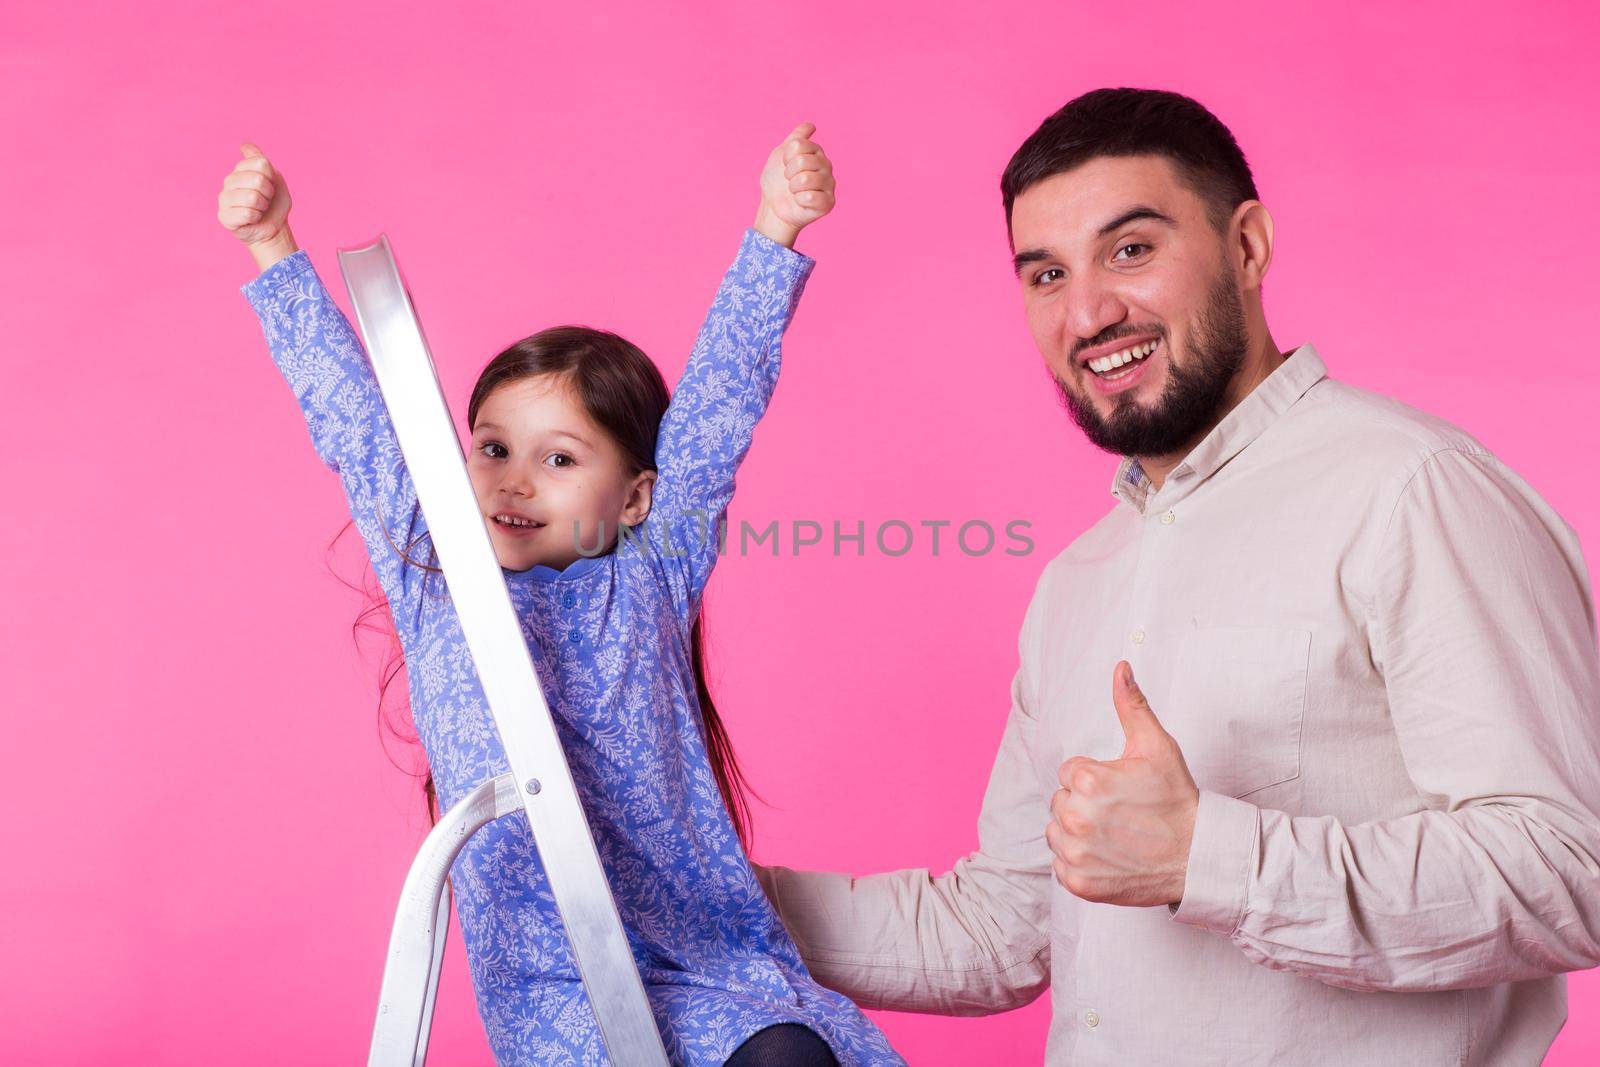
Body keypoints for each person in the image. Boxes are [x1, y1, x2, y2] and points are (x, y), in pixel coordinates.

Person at [756, 88, 1600, 1064]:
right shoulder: (1081, 580)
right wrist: (689, 892)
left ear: (1246, 248)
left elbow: (1572, 868)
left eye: (1131, 250)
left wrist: (1208, 859)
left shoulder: (1415, 491)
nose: (1087, 310)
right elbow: (1001, 927)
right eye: (1044, 273)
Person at [218, 127, 903, 1066]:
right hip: (552, 985)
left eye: (559, 458)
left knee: (789, 1054)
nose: (514, 482)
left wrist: (775, 225)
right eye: (493, 448)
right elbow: (357, 423)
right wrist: (273, 247)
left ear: (635, 497)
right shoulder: (437, 577)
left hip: (701, 957)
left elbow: (715, 410)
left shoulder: (651, 573)